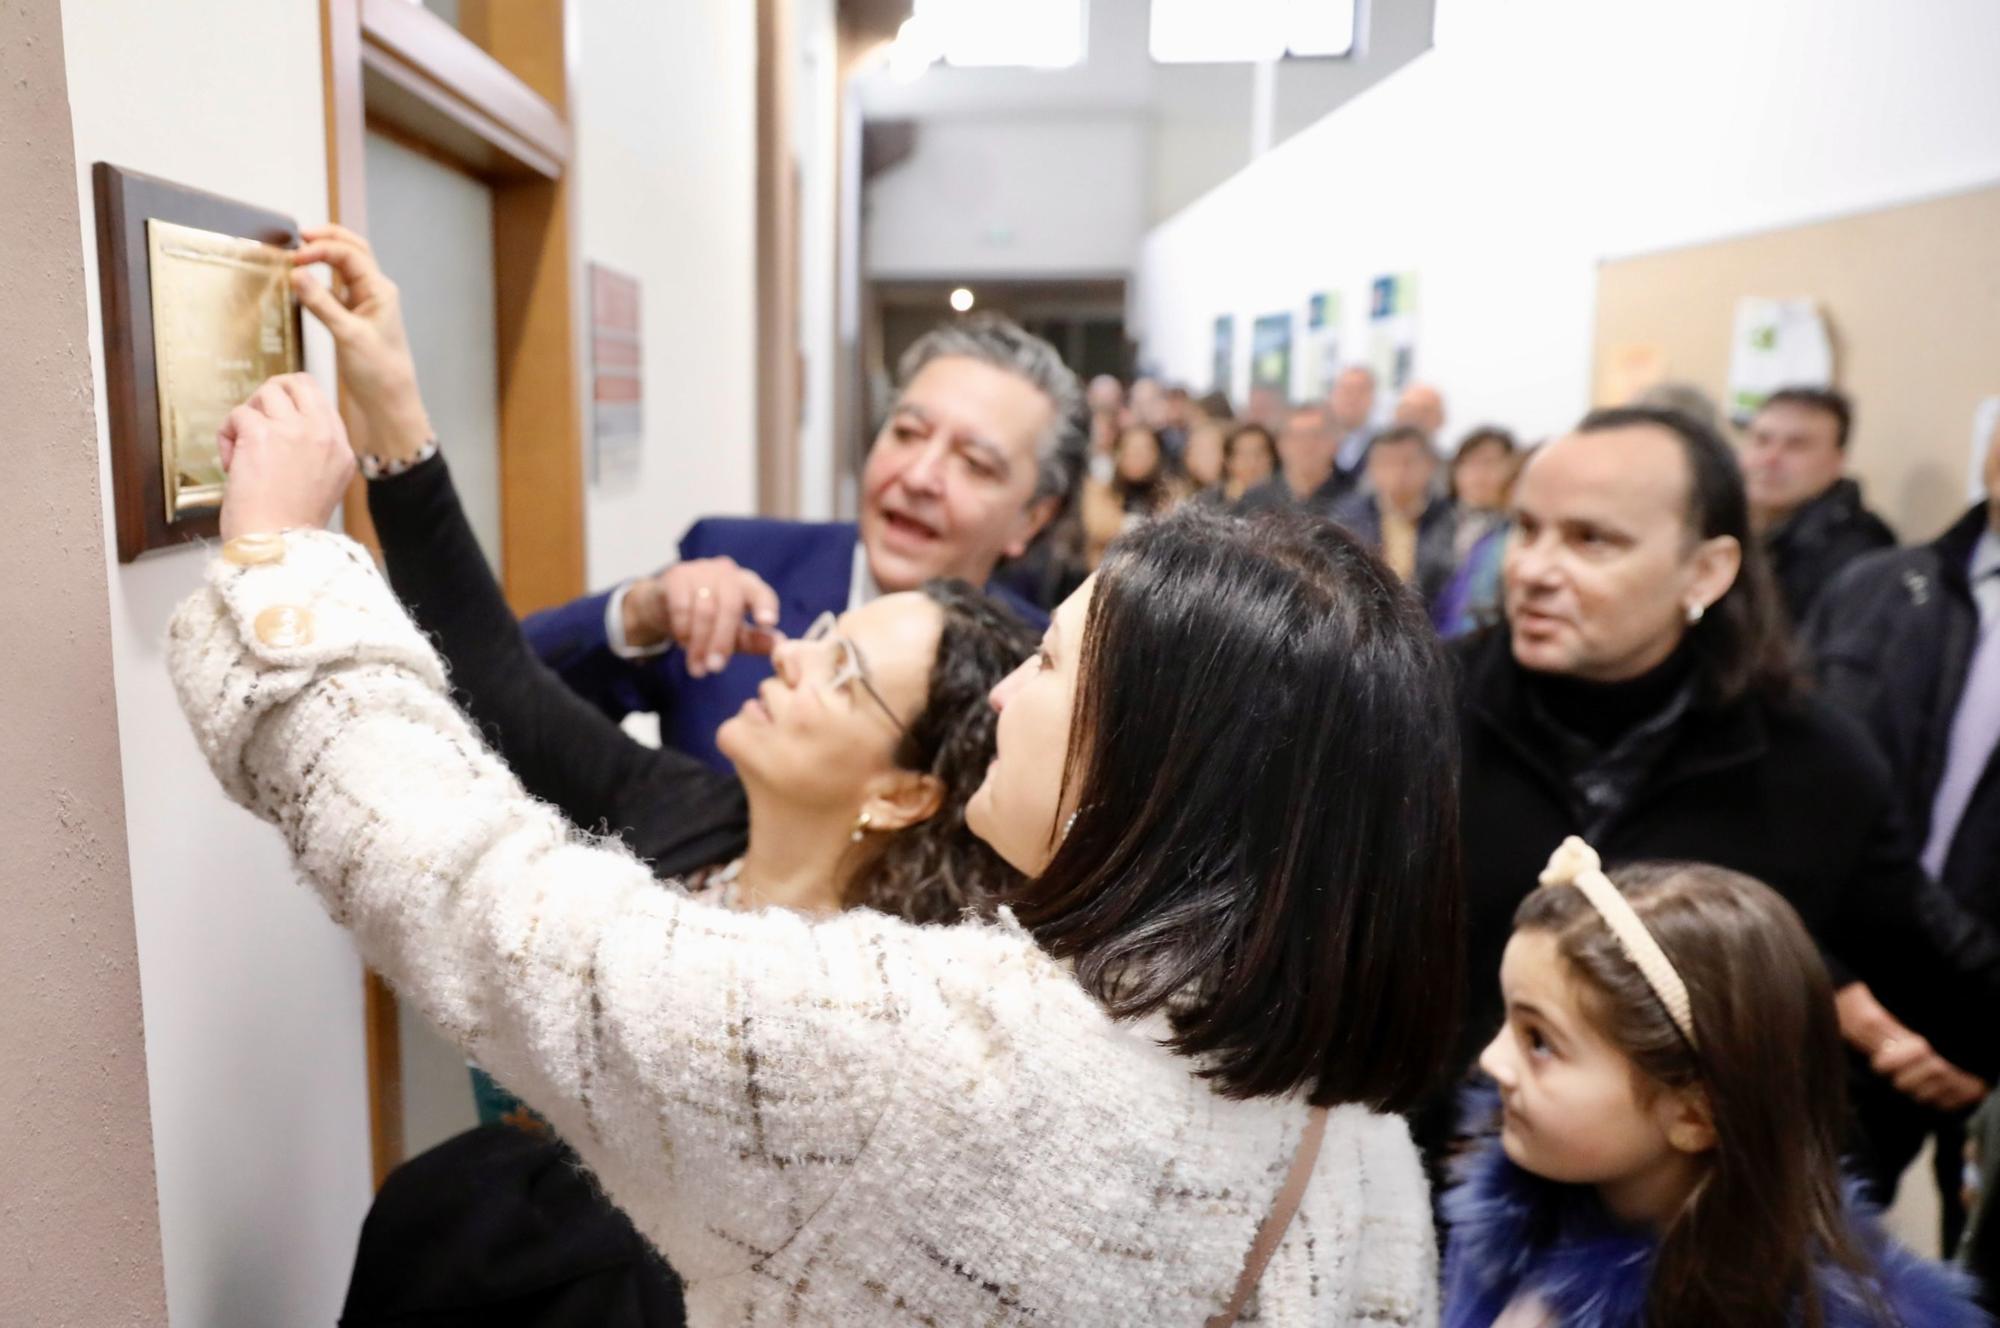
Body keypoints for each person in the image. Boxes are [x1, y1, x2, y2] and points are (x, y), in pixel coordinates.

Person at [171, 377, 1463, 1323]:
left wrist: (283, 562)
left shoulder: (939, 1055)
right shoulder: (1359, 1155)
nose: (1010, 700)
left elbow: (478, 900)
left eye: (1058, 662)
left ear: (1160, 764)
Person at [1435, 404, 2000, 1185]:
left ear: (1705, 570)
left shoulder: (1810, 762)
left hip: (1688, 1248)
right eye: (1526, 529)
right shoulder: (1423, 710)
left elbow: (1931, 966)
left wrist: (1822, 1166)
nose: (1532, 568)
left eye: (1592, 539)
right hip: (1442, 1206)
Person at [1446, 841, 1986, 1326]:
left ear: (1694, 1114)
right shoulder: (1504, 1241)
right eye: (1506, 1023)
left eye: (1540, 1041)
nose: (1492, 1061)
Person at [520, 314, 1079, 771]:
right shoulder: (738, 564)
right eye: (907, 434)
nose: (919, 477)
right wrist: (639, 613)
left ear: (1031, 519)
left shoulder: (1038, 672)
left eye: (975, 464)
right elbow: (507, 699)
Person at [1804, 415, 2000, 1260]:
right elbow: (1794, 794)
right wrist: (1845, 992)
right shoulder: (1877, 588)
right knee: (1794, 1268)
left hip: (1990, 1057)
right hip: (1834, 1012)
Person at [1742, 387, 1896, 624]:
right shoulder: (1722, 525)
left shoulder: (1860, 553)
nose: (1771, 458)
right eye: (1762, 440)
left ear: (1838, 460)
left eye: (1796, 445)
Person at [1330, 424, 1457, 606]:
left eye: (1408, 462)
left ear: (1430, 465)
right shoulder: (1347, 518)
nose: (1398, 472)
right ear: (1372, 468)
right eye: (1387, 463)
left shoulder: (1450, 517)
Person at [1432, 427, 1519, 638]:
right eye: (1468, 463)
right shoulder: (1433, 521)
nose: (1478, 474)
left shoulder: (1516, 531)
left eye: (1490, 463)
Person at [1078, 424, 1192, 569]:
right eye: (1131, 449)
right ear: (1118, 452)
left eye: (1145, 450)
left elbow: (1177, 531)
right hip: (1107, 570)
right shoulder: (1102, 489)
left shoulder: (1172, 491)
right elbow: (1099, 526)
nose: (1138, 456)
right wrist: (1146, 525)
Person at [1235, 403, 1345, 517]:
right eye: (1297, 437)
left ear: (1335, 443)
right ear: (1280, 444)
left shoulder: (1351, 497)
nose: (1307, 446)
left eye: (1316, 436)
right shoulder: (1255, 500)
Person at [1328, 364, 1378, 483]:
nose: (1353, 398)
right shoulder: (1315, 441)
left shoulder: (1383, 446)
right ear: (1333, 395)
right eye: (1346, 390)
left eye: (1361, 391)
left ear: (1373, 398)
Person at [1212, 420, 1278, 508]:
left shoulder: (1289, 498)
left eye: (1259, 453)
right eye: (1243, 454)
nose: (1252, 462)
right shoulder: (1214, 500)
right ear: (1228, 462)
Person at [1181, 417, 1226, 492]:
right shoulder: (1181, 496)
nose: (1205, 458)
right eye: (1197, 450)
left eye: (1210, 450)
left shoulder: (1237, 495)